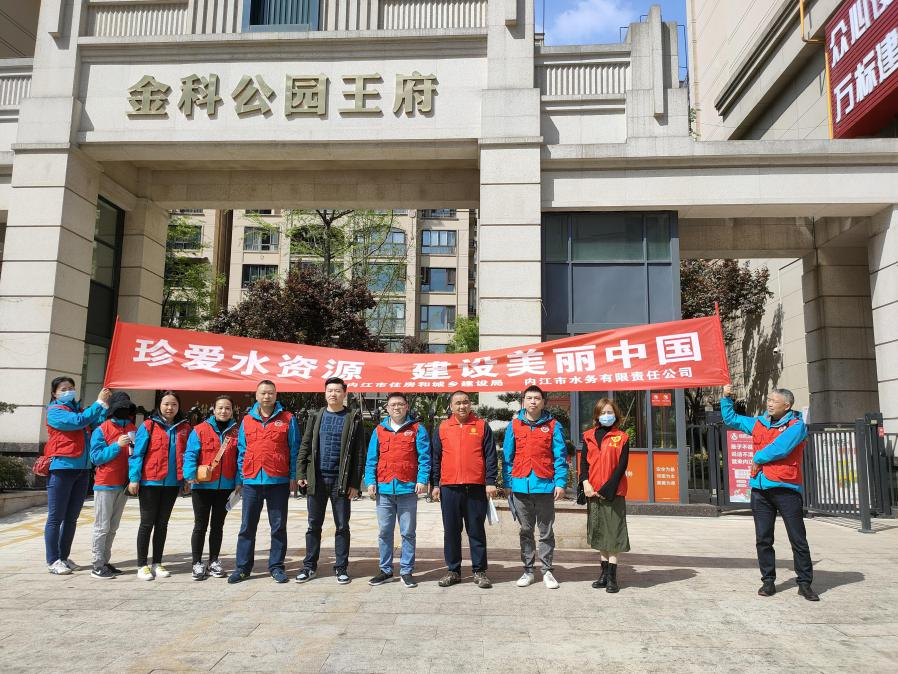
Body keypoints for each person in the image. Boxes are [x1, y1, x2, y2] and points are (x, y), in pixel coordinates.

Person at [720, 384, 819, 601]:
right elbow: (731, 419)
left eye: (774, 401)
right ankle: (768, 581)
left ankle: (804, 583)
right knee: (763, 538)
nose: (770, 404)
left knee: (798, 538)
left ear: (787, 405)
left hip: (786, 489)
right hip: (760, 490)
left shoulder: (796, 426)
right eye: (769, 400)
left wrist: (757, 459)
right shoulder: (759, 423)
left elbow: (780, 448)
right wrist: (726, 398)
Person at [295, 377, 365, 585]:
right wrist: (301, 473)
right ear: (325, 393)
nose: (333, 394)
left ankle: (341, 567)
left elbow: (359, 453)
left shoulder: (353, 418)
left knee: (342, 526)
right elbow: (305, 445)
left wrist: (355, 484)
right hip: (316, 479)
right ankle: (309, 566)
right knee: (313, 525)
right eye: (329, 390)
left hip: (340, 481)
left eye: (337, 391)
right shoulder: (316, 416)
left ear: (344, 393)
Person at [229, 380, 299, 584]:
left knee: (278, 526)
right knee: (247, 526)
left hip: (278, 480)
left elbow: (294, 449)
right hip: (251, 481)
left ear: (276, 395)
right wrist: (240, 478)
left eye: (270, 393)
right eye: (263, 393)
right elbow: (242, 450)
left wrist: (293, 476)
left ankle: (276, 566)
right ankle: (243, 568)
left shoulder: (288, 419)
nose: (267, 396)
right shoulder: (247, 420)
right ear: (256, 395)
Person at [43, 378, 111, 575]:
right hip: (62, 469)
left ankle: (63, 557)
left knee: (71, 518)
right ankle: (53, 560)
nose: (68, 391)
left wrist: (104, 406)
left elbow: (95, 423)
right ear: (54, 393)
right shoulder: (55, 411)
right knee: (55, 518)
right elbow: (78, 422)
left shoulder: (78, 410)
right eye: (63, 389)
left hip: (82, 470)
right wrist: (98, 402)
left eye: (71, 388)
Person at [503, 385, 568, 589]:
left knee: (546, 531)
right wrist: (507, 483)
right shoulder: (514, 425)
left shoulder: (554, 425)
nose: (533, 401)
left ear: (544, 402)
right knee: (525, 530)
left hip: (545, 486)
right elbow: (507, 457)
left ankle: (547, 571)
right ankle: (528, 570)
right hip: (520, 485)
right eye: (529, 398)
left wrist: (560, 483)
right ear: (523, 401)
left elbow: (560, 457)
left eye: (537, 398)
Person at [431, 390, 498, 589]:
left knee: (476, 530)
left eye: (466, 402)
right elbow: (436, 458)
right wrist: (435, 484)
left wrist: (490, 481)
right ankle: (453, 570)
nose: (462, 406)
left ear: (471, 404)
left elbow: (490, 456)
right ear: (450, 406)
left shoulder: (481, 426)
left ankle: (479, 571)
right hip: (449, 488)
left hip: (475, 487)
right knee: (451, 531)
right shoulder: (443, 427)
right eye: (458, 403)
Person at [364, 392, 430, 588]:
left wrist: (422, 479)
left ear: (407, 406)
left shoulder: (417, 429)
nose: (397, 407)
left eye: (400, 404)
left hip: (407, 489)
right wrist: (370, 481)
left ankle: (406, 571)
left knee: (408, 532)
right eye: (393, 404)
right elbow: (371, 459)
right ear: (387, 408)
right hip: (384, 489)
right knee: (385, 531)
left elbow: (424, 458)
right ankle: (385, 570)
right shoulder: (379, 430)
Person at [129, 390, 191, 581]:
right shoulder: (149, 425)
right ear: (159, 405)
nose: (170, 408)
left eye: (174, 404)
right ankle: (142, 565)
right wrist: (134, 478)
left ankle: (157, 562)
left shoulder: (184, 427)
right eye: (166, 404)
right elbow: (137, 453)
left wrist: (186, 479)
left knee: (162, 524)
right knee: (147, 523)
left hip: (172, 483)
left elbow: (188, 455)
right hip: (150, 481)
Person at [183, 394, 239, 581]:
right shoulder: (199, 429)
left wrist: (239, 481)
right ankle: (197, 562)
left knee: (217, 525)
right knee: (200, 525)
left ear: (232, 411)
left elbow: (241, 458)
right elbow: (190, 454)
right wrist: (190, 475)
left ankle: (214, 560)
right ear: (213, 409)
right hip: (202, 486)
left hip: (226, 486)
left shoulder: (237, 432)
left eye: (228, 408)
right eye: (220, 408)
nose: (224, 411)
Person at [580, 398, 630, 593]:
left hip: (613, 492)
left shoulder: (622, 437)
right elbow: (584, 464)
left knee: (614, 533)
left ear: (615, 415)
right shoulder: (588, 436)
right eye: (603, 413)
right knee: (599, 532)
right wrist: (585, 483)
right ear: (597, 415)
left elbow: (621, 466)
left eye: (610, 412)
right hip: (592, 491)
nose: (606, 416)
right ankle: (603, 574)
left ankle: (612, 577)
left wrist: (607, 489)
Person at [88, 391, 137, 579]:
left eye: (127, 408)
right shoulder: (102, 429)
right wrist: (117, 445)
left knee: (113, 526)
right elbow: (96, 457)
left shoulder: (132, 428)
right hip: (105, 484)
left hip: (123, 484)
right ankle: (97, 564)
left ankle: (105, 561)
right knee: (102, 526)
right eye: (120, 408)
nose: (124, 411)